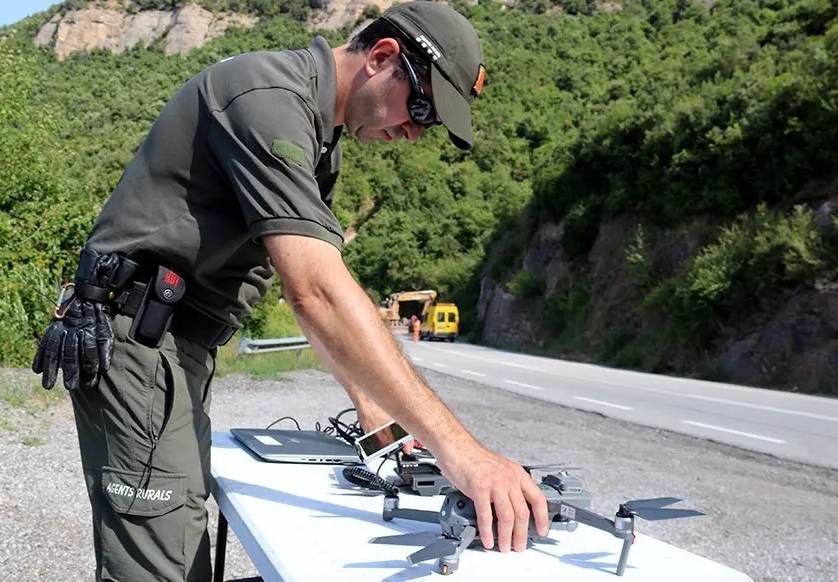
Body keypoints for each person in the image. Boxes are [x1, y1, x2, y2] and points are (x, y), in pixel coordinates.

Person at [30, 2, 548, 580]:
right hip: (139, 340)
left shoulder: (319, 137)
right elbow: (316, 293)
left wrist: (374, 410)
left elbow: (310, 294)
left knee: (181, 532)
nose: (414, 133)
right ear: (381, 57)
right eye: (423, 108)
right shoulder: (268, 98)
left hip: (177, 348)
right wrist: (466, 456)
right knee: (164, 566)